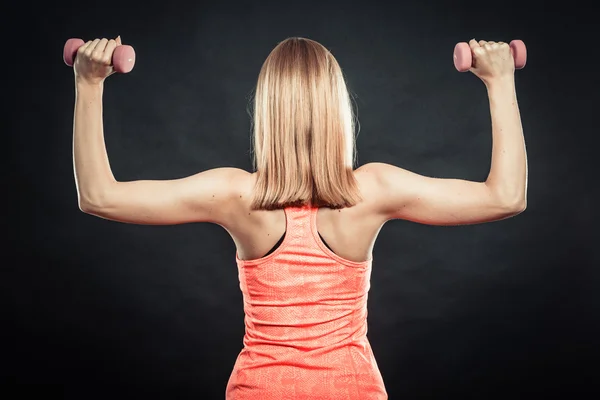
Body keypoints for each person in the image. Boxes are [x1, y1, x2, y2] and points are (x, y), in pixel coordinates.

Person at [72, 36, 527, 399]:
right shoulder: (373, 190)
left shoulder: (236, 195)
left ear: (268, 112)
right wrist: (499, 80)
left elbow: (99, 196)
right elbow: (506, 197)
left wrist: (89, 84)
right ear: (337, 109)